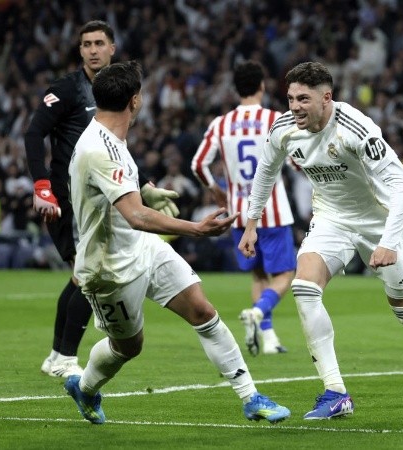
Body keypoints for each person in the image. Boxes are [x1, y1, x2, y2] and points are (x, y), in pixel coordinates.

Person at [64, 60, 289, 425]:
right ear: (134, 101)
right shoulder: (99, 148)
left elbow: (119, 198)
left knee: (203, 310)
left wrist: (143, 193)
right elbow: (135, 216)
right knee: (128, 347)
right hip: (110, 269)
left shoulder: (108, 137)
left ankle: (251, 398)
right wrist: (195, 229)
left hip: (143, 247)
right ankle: (85, 387)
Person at [238, 61, 403, 419]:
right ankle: (336, 391)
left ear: (327, 97)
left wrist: (387, 239)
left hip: (379, 221)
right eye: (290, 98)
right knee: (304, 287)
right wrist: (251, 222)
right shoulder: (285, 128)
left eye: (303, 99)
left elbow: (402, 184)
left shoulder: (356, 128)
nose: (294, 107)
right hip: (332, 219)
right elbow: (265, 172)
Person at [24, 21, 179, 378]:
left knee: (80, 273)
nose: (92, 50)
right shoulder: (68, 89)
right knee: (84, 273)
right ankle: (63, 357)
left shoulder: (115, 90)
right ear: (80, 50)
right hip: (69, 198)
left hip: (102, 199)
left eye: (99, 43)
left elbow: (117, 149)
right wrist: (41, 185)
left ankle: (57, 356)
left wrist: (144, 186)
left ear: (112, 48)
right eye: (86, 44)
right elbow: (34, 132)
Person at [191, 60, 295, 356]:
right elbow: (297, 160)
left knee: (259, 276)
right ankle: (260, 312)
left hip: (238, 213)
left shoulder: (221, 123)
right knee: (286, 273)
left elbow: (198, 164)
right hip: (272, 210)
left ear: (236, 89)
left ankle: (269, 339)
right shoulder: (276, 119)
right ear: (262, 86)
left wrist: (215, 190)